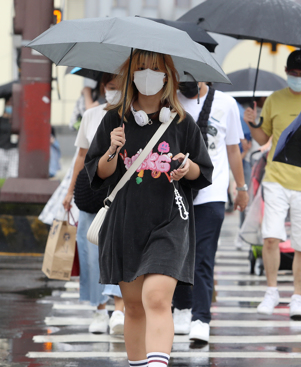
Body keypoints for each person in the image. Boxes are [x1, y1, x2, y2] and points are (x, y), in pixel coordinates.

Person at [85, 49, 213, 367]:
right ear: (130, 75)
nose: (147, 74)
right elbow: (98, 173)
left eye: (154, 68)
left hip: (170, 220)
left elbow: (202, 172)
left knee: (156, 298)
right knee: (133, 306)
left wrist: (187, 167)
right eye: (140, 68)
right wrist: (112, 150)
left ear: (168, 75)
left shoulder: (182, 122)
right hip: (125, 222)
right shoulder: (114, 119)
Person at [243, 50, 301, 320]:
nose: (297, 78)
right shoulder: (275, 99)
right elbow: (263, 135)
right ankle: (272, 291)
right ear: (286, 70)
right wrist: (253, 122)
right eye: (293, 73)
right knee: (270, 237)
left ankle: (297, 298)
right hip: (276, 177)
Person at [171, 81, 248, 344]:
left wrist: (241, 186)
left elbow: (232, 149)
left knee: (203, 257)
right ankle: (181, 308)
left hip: (212, 194)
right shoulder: (170, 100)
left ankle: (201, 317)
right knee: (178, 253)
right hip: (176, 191)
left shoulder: (226, 103)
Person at [62, 73, 125, 335]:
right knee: (90, 255)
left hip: (121, 193)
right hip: (90, 192)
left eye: (119, 88)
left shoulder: (135, 116)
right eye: (110, 87)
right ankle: (99, 309)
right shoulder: (91, 115)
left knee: (120, 250)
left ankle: (119, 310)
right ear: (103, 88)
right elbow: (81, 156)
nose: (114, 92)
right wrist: (68, 191)